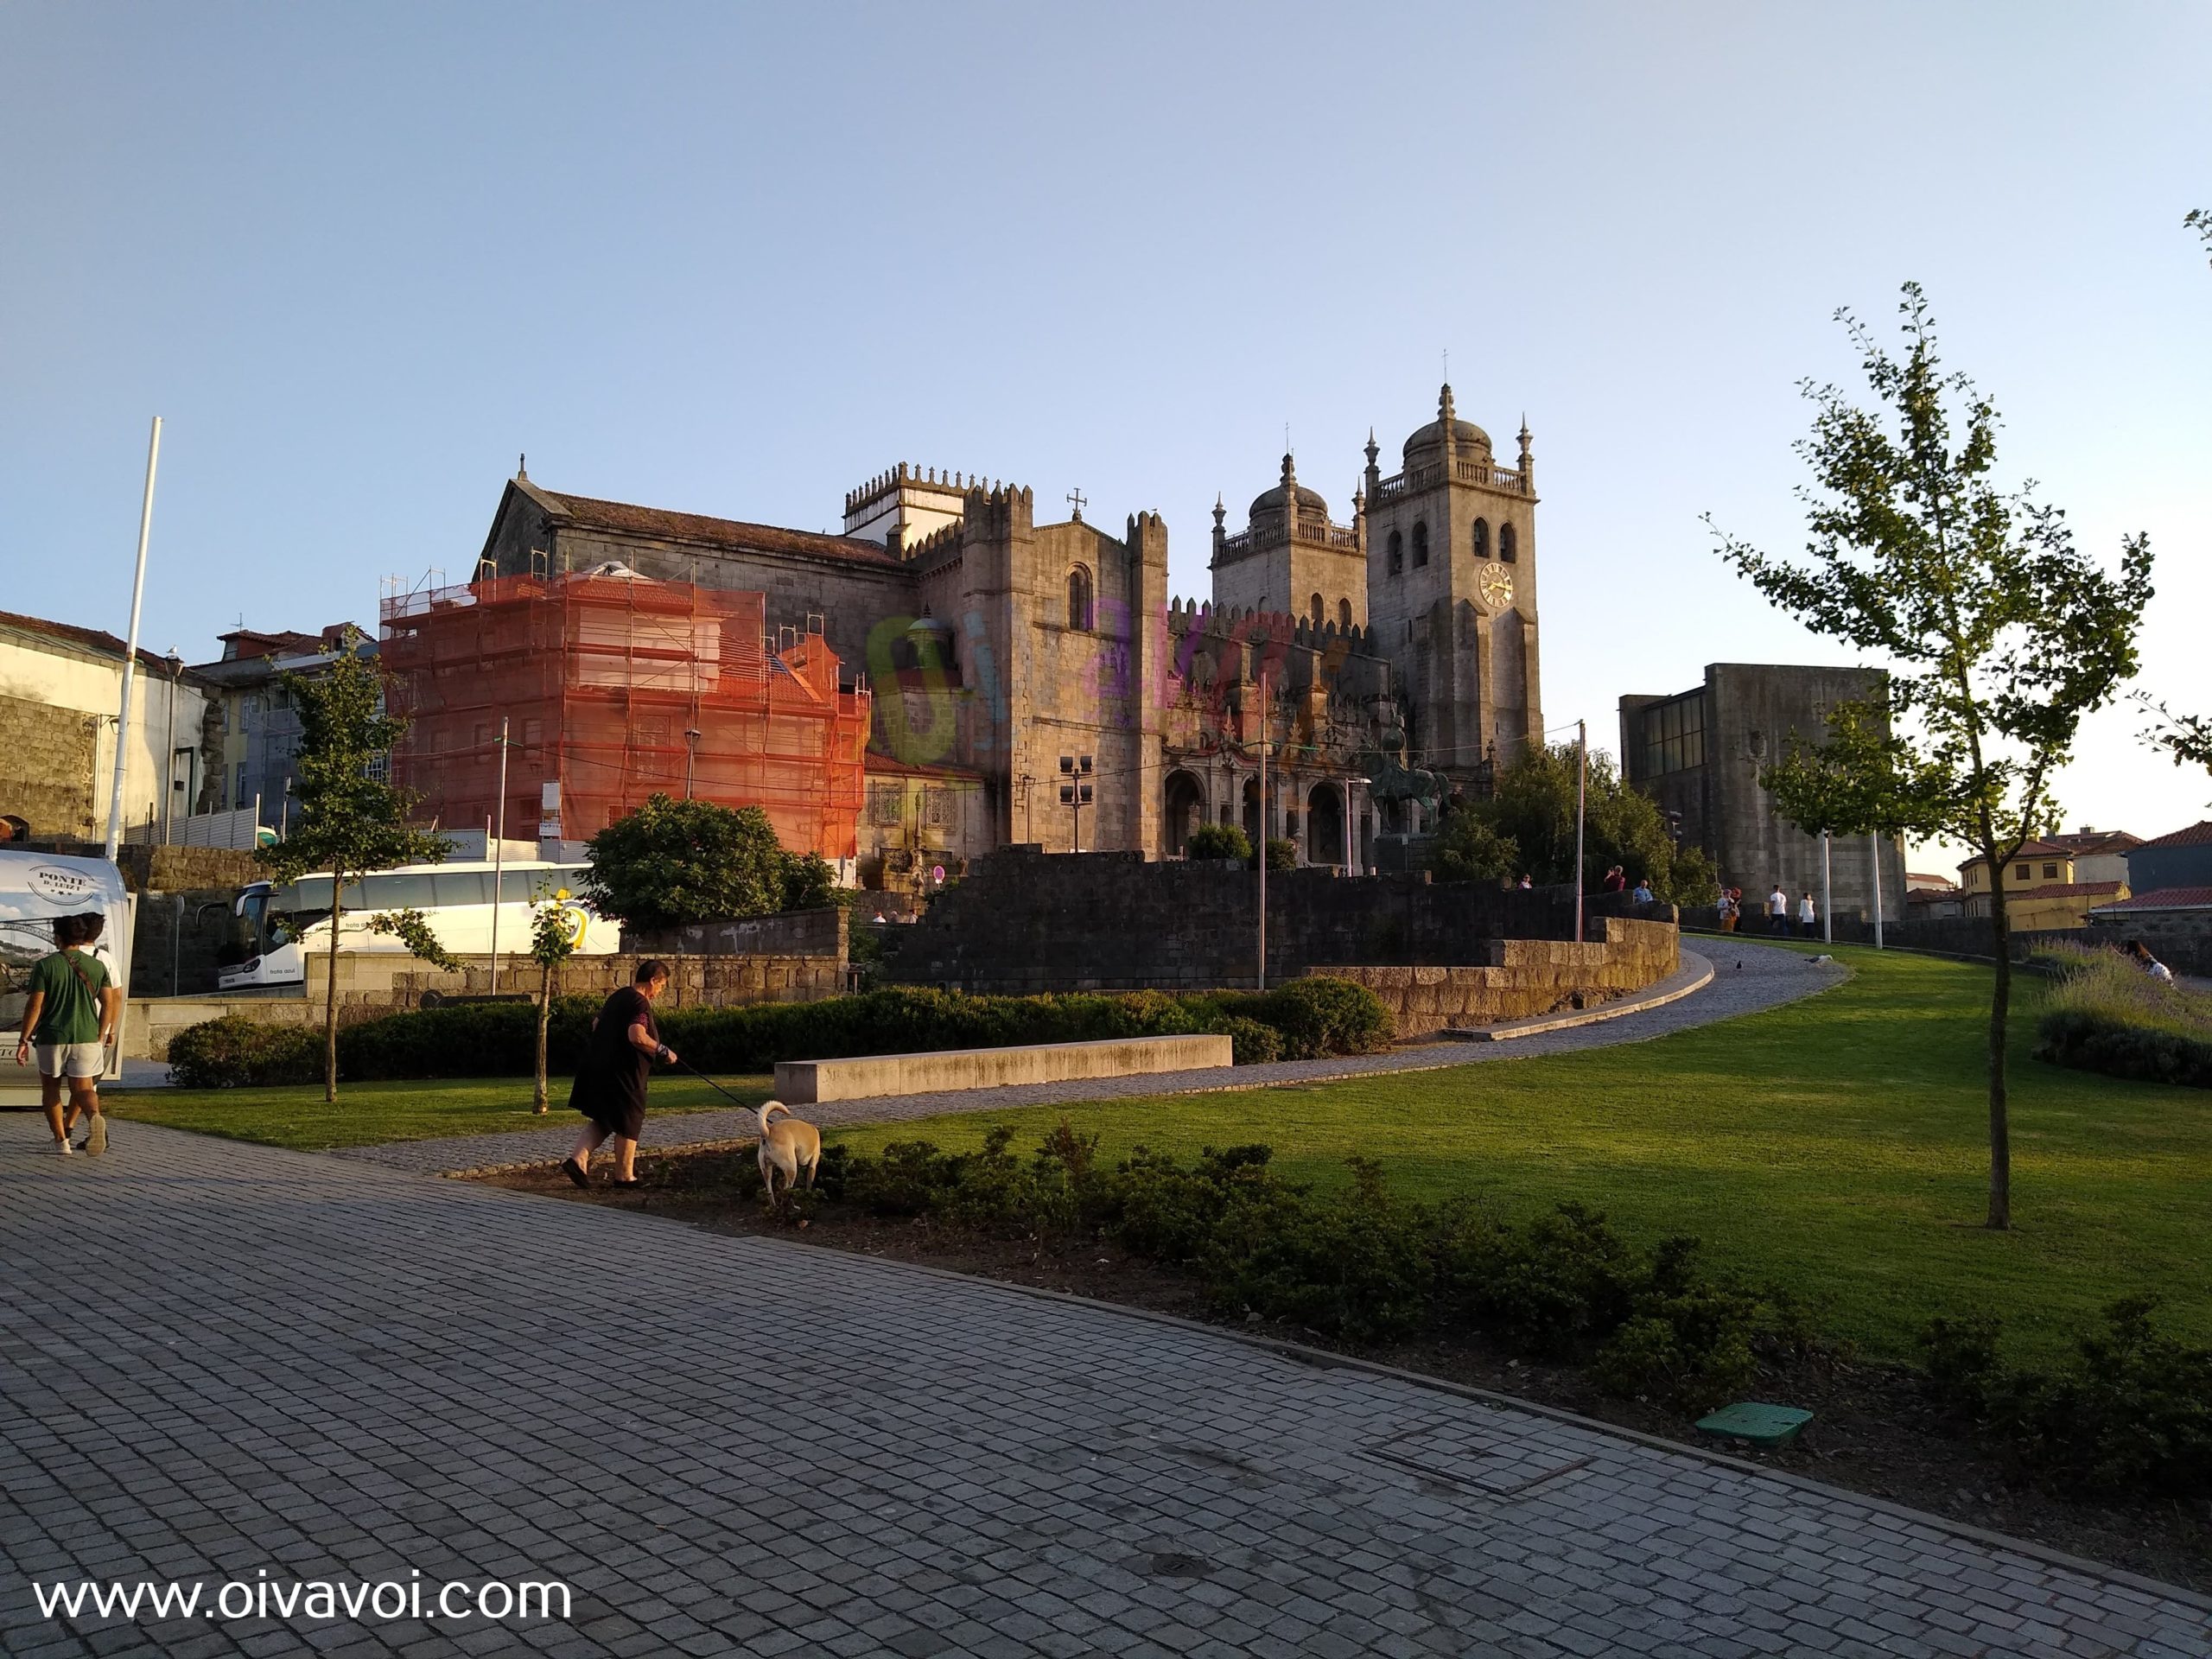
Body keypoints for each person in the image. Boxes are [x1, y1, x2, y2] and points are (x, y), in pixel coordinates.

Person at [14, 912, 122, 1156]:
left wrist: (23, 1039)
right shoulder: (97, 966)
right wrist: (100, 1032)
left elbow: (35, 1005)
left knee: (51, 1090)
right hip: (86, 1036)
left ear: (58, 938)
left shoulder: (46, 966)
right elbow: (109, 1003)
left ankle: (61, 1141)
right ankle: (94, 1116)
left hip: (53, 1036)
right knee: (84, 1088)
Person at [563, 960, 677, 1190]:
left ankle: (578, 1160)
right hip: (625, 1075)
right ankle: (624, 1176)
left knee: (605, 1118)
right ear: (653, 980)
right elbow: (637, 1035)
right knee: (629, 1119)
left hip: (599, 1067)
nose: (660, 992)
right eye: (662, 986)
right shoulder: (639, 1002)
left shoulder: (618, 996)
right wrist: (663, 1050)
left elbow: (596, 1024)